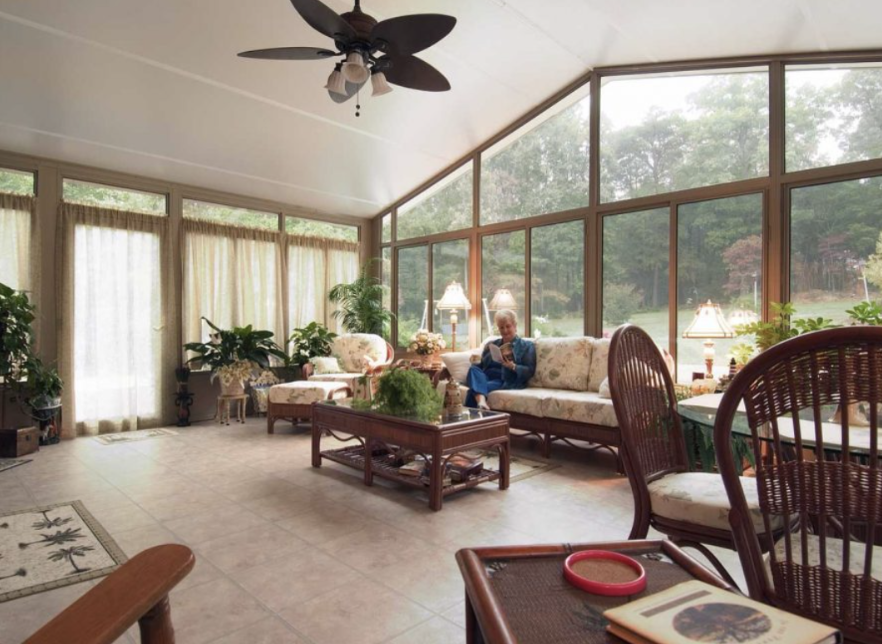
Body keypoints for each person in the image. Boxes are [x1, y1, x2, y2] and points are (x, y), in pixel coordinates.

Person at [465, 309, 536, 410]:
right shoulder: (491, 344)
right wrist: (474, 361)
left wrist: (513, 366)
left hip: (504, 379)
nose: (505, 330)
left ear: (515, 326)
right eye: (501, 327)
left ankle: (477, 411)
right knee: (473, 369)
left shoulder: (526, 346)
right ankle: (481, 404)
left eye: (508, 326)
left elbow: (530, 370)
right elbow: (481, 366)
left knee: (473, 391)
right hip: (486, 376)